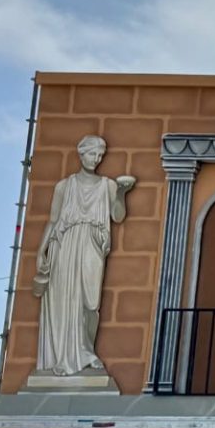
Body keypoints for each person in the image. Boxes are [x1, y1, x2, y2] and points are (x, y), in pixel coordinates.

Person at [32, 135, 135, 376]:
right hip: (64, 245)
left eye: (99, 155)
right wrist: (41, 251)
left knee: (90, 302)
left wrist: (121, 192)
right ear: (81, 154)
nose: (96, 159)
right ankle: (64, 357)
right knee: (65, 300)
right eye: (92, 154)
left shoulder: (107, 185)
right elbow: (53, 221)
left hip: (92, 245)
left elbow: (118, 216)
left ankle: (86, 349)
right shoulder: (64, 186)